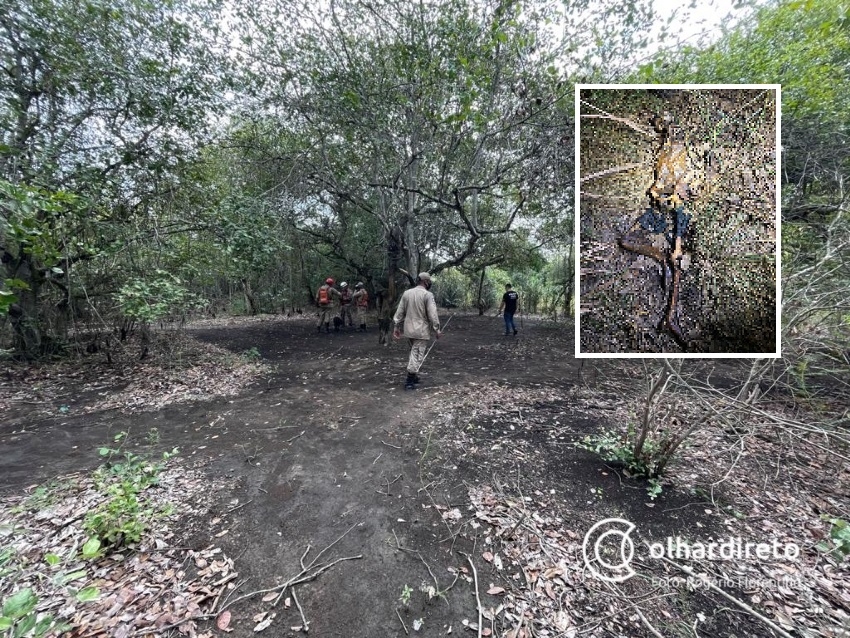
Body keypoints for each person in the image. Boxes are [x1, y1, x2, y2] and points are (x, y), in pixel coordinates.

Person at [393, 272, 441, 389]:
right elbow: (432, 314)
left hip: (408, 330)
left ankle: (414, 377)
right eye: (429, 281)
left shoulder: (407, 293)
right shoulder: (428, 295)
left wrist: (396, 326)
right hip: (421, 331)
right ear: (425, 282)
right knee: (417, 354)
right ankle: (409, 381)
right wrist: (437, 329)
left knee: (413, 353)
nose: (429, 283)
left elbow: (400, 312)